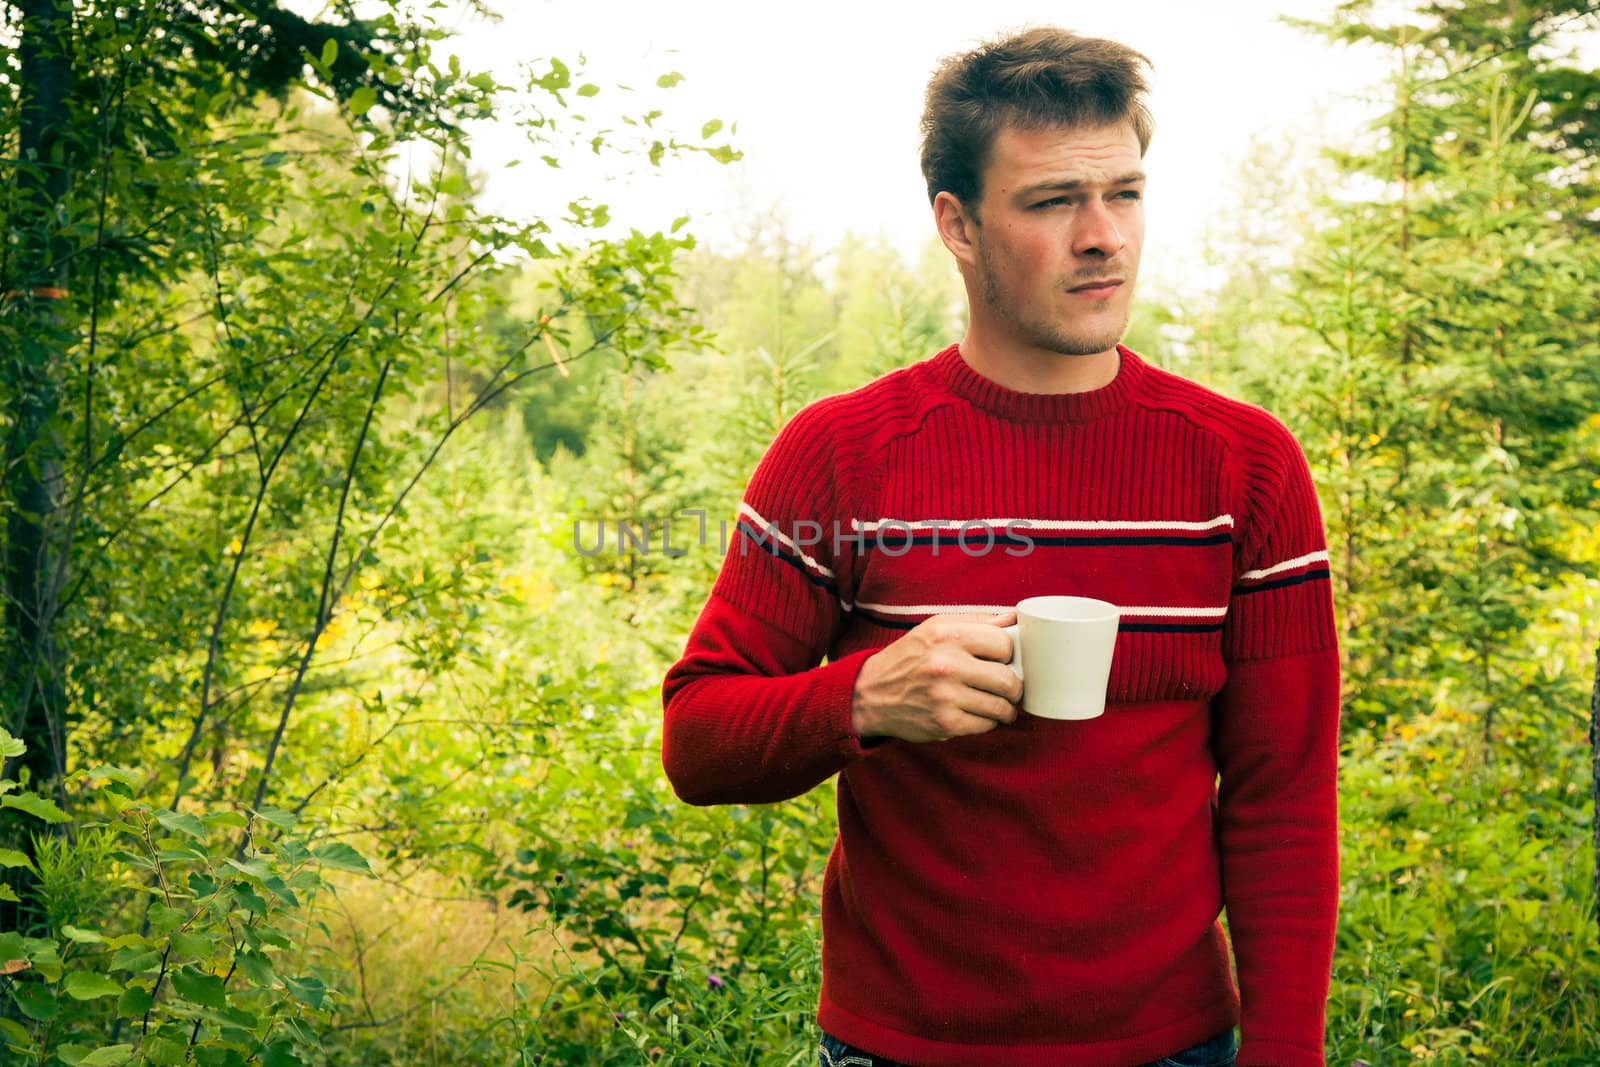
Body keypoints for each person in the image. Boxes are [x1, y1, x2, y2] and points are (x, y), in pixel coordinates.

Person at [661, 26, 1339, 1067]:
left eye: (1124, 191)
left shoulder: (1244, 468)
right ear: (958, 223)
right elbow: (696, 739)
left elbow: (1282, 797)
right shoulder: (842, 456)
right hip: (899, 1048)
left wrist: (1285, 1052)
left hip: (1173, 1045)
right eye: (1052, 201)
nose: (1103, 235)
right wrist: (865, 698)